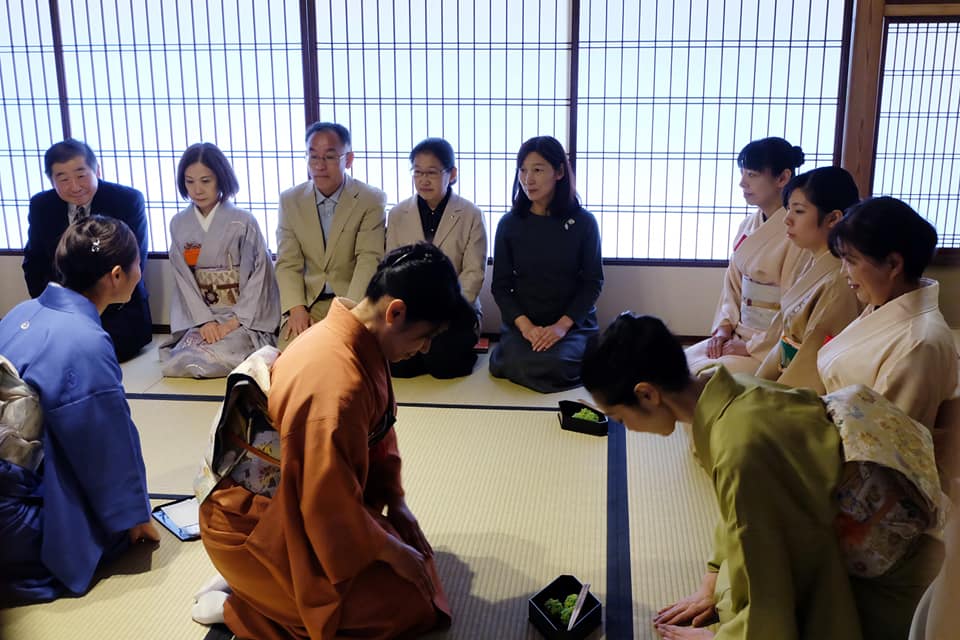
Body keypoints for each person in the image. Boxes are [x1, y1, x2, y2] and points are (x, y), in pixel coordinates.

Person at [582, 313, 944, 640]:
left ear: (647, 394)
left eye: (619, 417)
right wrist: (712, 578)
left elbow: (770, 588)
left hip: (888, 581)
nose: (624, 427)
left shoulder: (738, 447)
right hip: (875, 526)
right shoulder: (739, 390)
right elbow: (743, 513)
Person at [199, 243, 475, 639]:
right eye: (425, 336)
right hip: (252, 525)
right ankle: (241, 605)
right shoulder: (334, 383)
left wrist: (396, 503)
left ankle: (261, 586)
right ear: (395, 312)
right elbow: (324, 502)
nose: (426, 348)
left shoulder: (359, 341)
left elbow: (379, 439)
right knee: (409, 605)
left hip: (294, 507)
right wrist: (388, 548)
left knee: (420, 563)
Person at [0, 216, 158, 606]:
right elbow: (103, 445)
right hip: (11, 517)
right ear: (117, 275)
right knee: (106, 536)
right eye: (138, 263)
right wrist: (134, 517)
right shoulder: (84, 340)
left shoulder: (21, 311)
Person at [817, 197, 958, 430]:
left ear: (893, 264)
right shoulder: (882, 306)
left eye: (851, 261)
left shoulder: (918, 342)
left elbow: (886, 439)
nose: (843, 272)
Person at [685, 137, 809, 376]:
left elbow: (795, 307)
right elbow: (732, 284)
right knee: (680, 365)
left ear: (783, 178)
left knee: (705, 377)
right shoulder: (747, 225)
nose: (742, 183)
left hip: (769, 346)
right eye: (742, 173)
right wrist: (723, 329)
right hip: (737, 333)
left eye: (751, 174)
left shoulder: (798, 232)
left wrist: (751, 347)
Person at [489, 135, 603, 393]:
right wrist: (527, 328)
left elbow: (593, 282)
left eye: (538, 170)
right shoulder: (509, 224)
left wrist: (561, 327)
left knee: (558, 364)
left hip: (571, 324)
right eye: (523, 170)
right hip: (524, 322)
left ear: (559, 172)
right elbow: (501, 286)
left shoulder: (584, 222)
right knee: (520, 360)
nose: (528, 179)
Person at [22, 138, 153, 362]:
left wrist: (93, 309)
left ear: (97, 171)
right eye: (63, 179)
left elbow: (133, 261)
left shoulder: (126, 200)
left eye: (81, 175)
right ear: (51, 180)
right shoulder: (42, 206)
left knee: (97, 355)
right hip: (61, 312)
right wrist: (51, 308)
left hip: (117, 310)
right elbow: (34, 262)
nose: (74, 186)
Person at [159, 143, 280, 378]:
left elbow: (259, 277)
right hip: (201, 316)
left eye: (206, 181)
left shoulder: (243, 222)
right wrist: (204, 322)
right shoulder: (179, 224)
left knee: (218, 354)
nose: (197, 190)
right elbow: (184, 281)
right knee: (183, 357)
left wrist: (233, 322)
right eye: (189, 181)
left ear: (221, 179)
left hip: (240, 317)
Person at [275, 121, 386, 349]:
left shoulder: (370, 199)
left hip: (352, 300)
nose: (319, 165)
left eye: (329, 157)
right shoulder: (290, 201)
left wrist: (349, 312)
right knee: (290, 357)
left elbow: (368, 259)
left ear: (349, 159)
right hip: (308, 302)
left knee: (345, 355)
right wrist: (296, 308)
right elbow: (288, 262)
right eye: (313, 156)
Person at [386, 137, 487, 378]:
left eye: (431, 172)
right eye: (417, 172)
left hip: (455, 309)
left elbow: (473, 273)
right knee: (399, 367)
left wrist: (441, 312)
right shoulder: (398, 214)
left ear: (452, 174)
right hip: (411, 311)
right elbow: (392, 269)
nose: (424, 180)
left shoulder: (470, 214)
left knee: (444, 365)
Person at [754, 166, 862, 391]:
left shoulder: (839, 281)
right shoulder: (809, 261)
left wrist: (766, 396)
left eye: (799, 211)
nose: (787, 220)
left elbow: (813, 362)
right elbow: (785, 340)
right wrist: (757, 384)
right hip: (784, 375)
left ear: (833, 218)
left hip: (806, 390)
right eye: (788, 210)